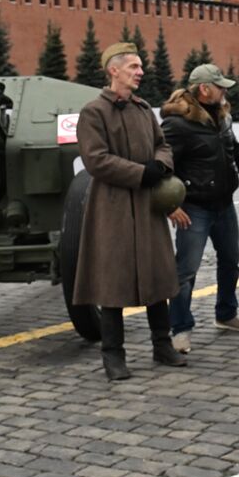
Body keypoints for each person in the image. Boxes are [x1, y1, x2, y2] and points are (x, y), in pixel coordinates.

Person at [73, 42, 187, 381]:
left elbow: (161, 145)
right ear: (114, 70)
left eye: (140, 67)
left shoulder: (142, 109)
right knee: (113, 283)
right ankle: (113, 356)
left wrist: (160, 166)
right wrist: (141, 173)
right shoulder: (94, 112)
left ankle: (162, 346)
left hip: (148, 205)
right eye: (134, 67)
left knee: (156, 276)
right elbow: (96, 160)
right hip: (113, 208)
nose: (140, 72)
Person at [162, 64, 239, 353]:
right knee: (186, 270)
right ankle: (180, 328)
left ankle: (226, 314)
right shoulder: (177, 124)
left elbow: (238, 155)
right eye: (220, 86)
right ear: (204, 89)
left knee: (230, 261)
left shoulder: (222, 117)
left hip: (224, 204)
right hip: (194, 208)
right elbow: (162, 165)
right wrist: (170, 205)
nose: (224, 90)